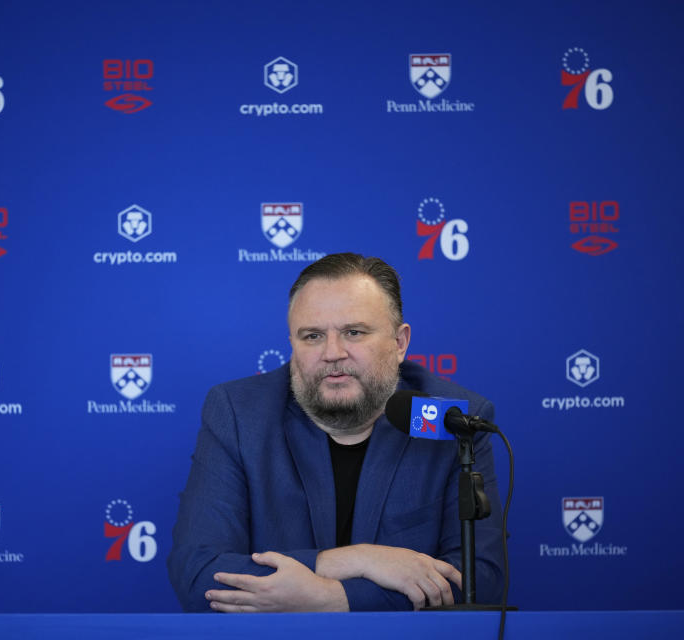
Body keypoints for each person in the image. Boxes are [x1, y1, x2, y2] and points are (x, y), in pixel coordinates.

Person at [167, 253, 503, 612]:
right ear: (293, 343)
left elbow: (478, 581)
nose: (332, 353)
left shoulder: (453, 421)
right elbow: (198, 574)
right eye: (312, 336)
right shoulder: (239, 414)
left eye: (353, 332)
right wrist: (357, 560)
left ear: (399, 342)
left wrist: (333, 598)